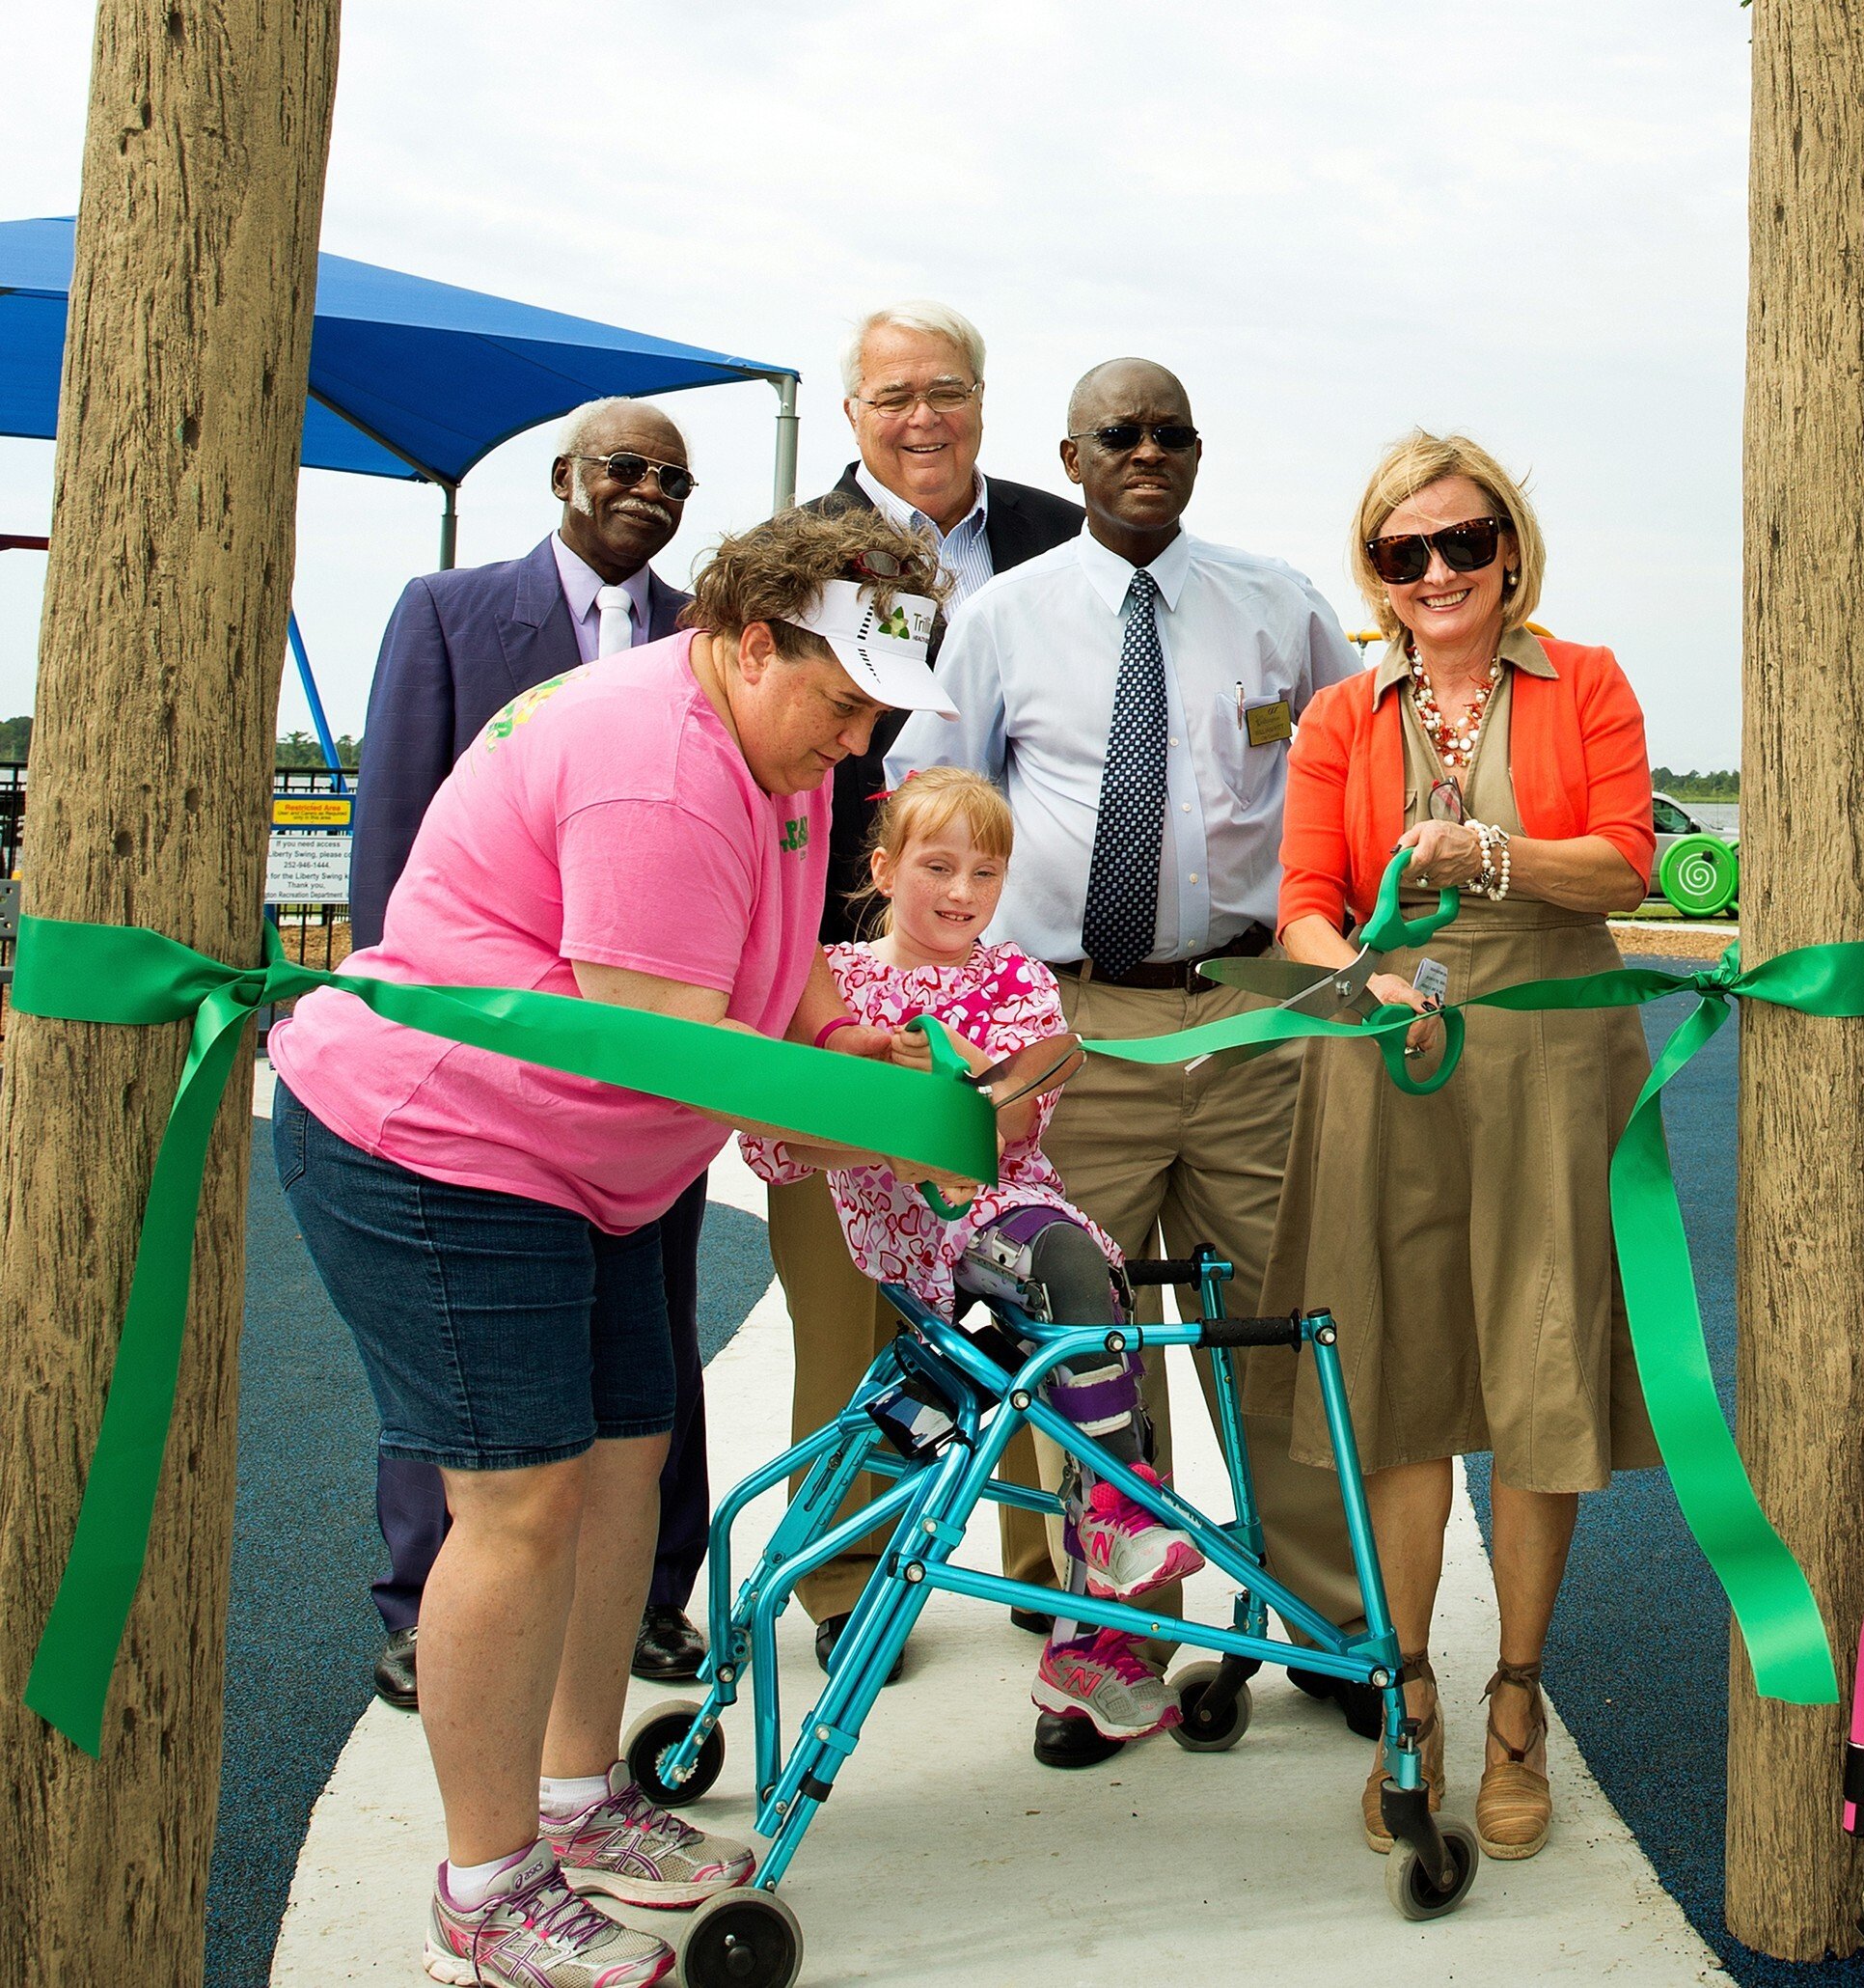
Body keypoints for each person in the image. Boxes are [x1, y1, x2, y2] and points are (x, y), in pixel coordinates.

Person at [267, 506, 955, 1985]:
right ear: (752, 640)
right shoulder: (658, 764)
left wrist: (846, 1035)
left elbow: (769, 986)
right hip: (445, 1141)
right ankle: (486, 1876)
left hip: (579, 1169)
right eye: (841, 704)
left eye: (877, 715)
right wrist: (898, 1120)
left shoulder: (768, 742)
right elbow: (681, 1057)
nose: (855, 742)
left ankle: (578, 1800)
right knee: (515, 1504)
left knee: (629, 1455)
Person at [890, 356, 1366, 1770]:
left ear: (1198, 453)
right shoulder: (998, 621)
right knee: (1083, 1345)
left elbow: (1353, 772)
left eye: (1170, 433)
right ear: (1075, 455)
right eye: (1120, 434)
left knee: (1288, 1325)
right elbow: (936, 808)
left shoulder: (1280, 606)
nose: (1146, 452)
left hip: (1245, 1016)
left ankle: (1327, 1626)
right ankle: (1113, 1655)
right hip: (1065, 1028)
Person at [1260, 429, 1659, 1864]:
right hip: (1390, 1059)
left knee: (1544, 1367)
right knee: (1405, 1377)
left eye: (1462, 542)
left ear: (1508, 550)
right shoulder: (1338, 716)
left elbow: (1631, 859)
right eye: (1401, 551)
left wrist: (1486, 859)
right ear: (1375, 570)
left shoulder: (1588, 679)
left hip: (1554, 1054)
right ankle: (1408, 1692)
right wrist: (1354, 976)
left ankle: (1516, 1700)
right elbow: (1304, 898)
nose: (1435, 571)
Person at [347, 395, 716, 1709]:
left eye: (673, 478)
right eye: (626, 468)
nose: (649, 492)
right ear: (564, 476)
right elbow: (394, 825)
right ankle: (421, 1597)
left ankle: (653, 1598)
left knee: (653, 1336)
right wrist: (397, 1009)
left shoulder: (709, 640)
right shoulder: (449, 614)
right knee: (463, 1360)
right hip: (482, 1042)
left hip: (648, 1040)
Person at [739, 767, 1209, 1742]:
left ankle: (1108, 1557)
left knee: (1083, 1291)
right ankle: (843, 1580)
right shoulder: (835, 979)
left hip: (996, 1229)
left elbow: (1009, 1122)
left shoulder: (1015, 979)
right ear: (882, 867)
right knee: (879, 1405)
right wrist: (901, 1098)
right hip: (905, 1257)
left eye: (984, 874)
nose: (960, 891)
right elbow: (781, 1137)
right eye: (938, 865)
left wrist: (909, 1087)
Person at [788, 303, 1086, 1658]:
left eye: (948, 390)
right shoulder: (794, 559)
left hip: (1023, 981)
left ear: (985, 400)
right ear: (850, 412)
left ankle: (1047, 1573)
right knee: (852, 1315)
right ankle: (850, 1587)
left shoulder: (1058, 539)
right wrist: (815, 1007)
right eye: (892, 394)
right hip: (849, 985)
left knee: (1025, 1291)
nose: (923, 417)